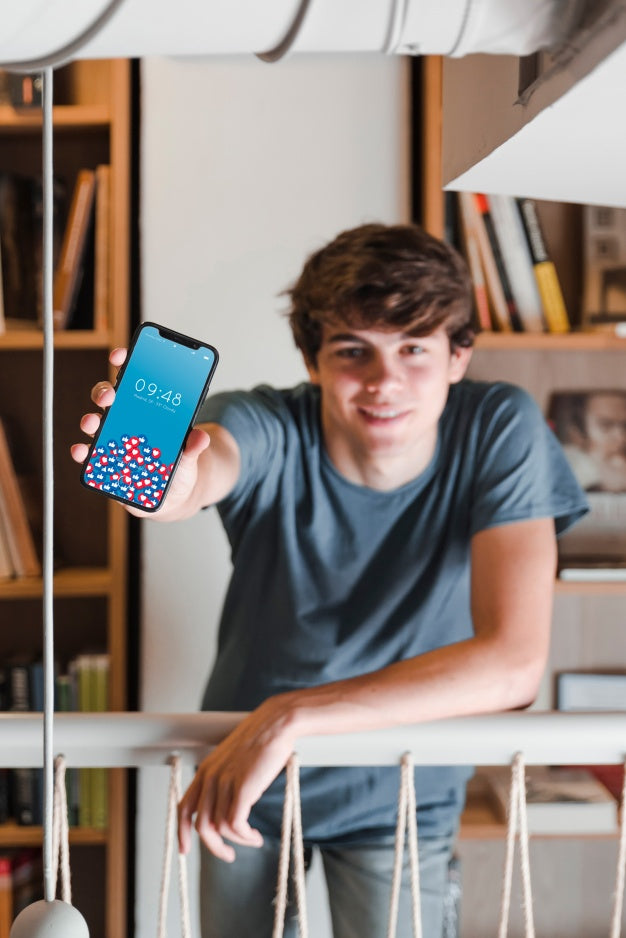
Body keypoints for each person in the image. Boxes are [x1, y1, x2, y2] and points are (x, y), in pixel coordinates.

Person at [72, 223, 588, 938]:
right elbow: (205, 466)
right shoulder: (266, 422)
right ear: (313, 361)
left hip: (396, 779)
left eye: (414, 349)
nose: (384, 382)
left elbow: (513, 667)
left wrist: (292, 715)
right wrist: (162, 484)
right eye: (353, 352)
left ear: (458, 355)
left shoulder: (499, 427)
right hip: (246, 778)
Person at [549, 390, 626, 492]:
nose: (620, 436)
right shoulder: (568, 461)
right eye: (606, 425)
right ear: (580, 429)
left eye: (624, 425)